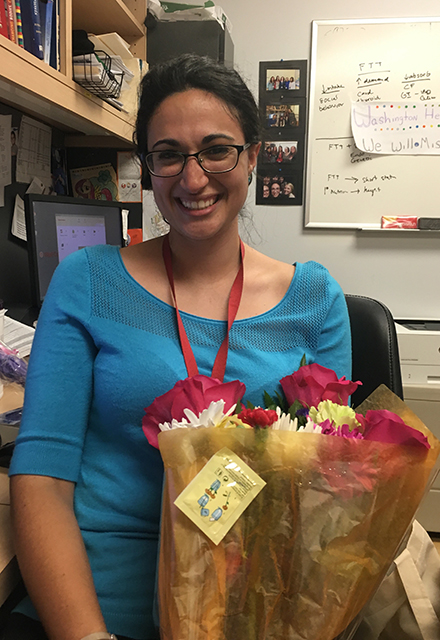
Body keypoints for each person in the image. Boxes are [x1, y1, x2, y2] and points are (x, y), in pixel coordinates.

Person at [7, 54, 351, 640]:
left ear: (253, 155)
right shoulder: (87, 281)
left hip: (255, 607)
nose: (193, 180)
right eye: (167, 155)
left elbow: (325, 492)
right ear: (148, 167)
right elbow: (41, 475)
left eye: (216, 149)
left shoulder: (314, 300)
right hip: (101, 602)